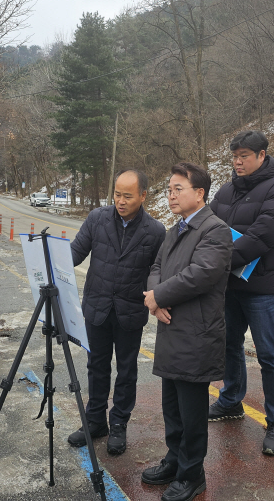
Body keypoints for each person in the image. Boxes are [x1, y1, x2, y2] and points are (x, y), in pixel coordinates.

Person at [141, 162, 232, 501]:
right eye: (169, 189)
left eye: (178, 188)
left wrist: (159, 295)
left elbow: (202, 273)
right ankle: (174, 460)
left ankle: (192, 474)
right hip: (171, 330)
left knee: (192, 412)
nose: (171, 195)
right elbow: (156, 267)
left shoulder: (215, 229)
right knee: (172, 407)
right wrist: (153, 298)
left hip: (196, 334)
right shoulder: (176, 229)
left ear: (200, 193)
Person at [208, 130, 274, 456]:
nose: (238, 161)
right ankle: (231, 400)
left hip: (262, 288)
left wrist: (220, 257)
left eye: (244, 155)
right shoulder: (227, 189)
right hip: (230, 285)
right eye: (234, 156)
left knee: (269, 354)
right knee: (229, 345)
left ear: (261, 155)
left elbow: (265, 232)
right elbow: (209, 222)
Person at [66, 169, 165, 455]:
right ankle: (95, 420)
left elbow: (158, 271)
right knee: (96, 366)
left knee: (126, 370)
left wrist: (158, 296)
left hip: (129, 311)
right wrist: (50, 261)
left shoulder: (156, 231)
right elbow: (76, 252)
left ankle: (119, 423)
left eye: (128, 196)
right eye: (117, 194)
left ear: (143, 196)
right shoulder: (97, 219)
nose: (120, 201)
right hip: (96, 307)